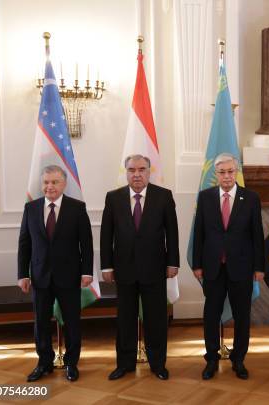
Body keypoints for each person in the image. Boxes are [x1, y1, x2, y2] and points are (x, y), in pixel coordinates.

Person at [101, 154, 179, 381]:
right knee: (125, 319)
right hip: (123, 269)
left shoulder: (163, 196)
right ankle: (124, 364)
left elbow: (171, 233)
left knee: (156, 319)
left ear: (149, 171)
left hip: (155, 269)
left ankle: (158, 364)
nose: (137, 174)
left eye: (142, 169)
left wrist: (172, 262)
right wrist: (106, 265)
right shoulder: (113, 198)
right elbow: (106, 235)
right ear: (126, 172)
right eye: (132, 170)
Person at [192, 153, 264, 380]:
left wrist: (259, 267)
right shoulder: (205, 197)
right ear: (216, 174)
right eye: (222, 172)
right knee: (211, 314)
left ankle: (239, 359)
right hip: (212, 267)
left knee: (242, 315)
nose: (226, 176)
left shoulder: (250, 198)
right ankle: (211, 359)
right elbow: (199, 233)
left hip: (241, 267)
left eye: (230, 171)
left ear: (237, 172)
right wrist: (197, 264)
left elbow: (257, 235)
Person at [18, 165, 93, 382]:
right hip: (40, 276)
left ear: (64, 184)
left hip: (69, 276)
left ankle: (71, 363)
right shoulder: (31, 208)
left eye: (54, 182)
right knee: (41, 322)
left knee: (72, 321)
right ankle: (44, 363)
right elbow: (25, 243)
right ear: (42, 184)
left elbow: (86, 244)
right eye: (46, 182)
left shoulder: (77, 208)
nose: (49, 186)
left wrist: (87, 272)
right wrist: (23, 274)